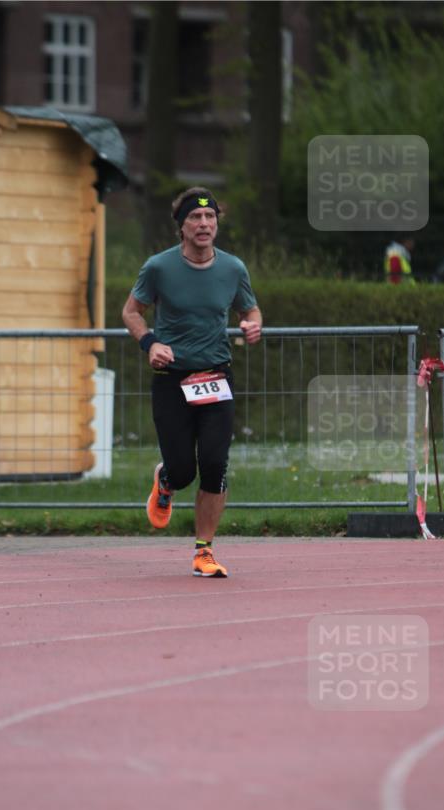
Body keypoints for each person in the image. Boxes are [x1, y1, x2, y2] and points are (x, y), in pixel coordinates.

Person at [122, 187, 262, 578]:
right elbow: (132, 311)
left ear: (217, 223)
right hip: (172, 378)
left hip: (216, 375)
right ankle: (166, 479)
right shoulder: (159, 268)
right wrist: (150, 343)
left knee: (215, 465)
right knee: (184, 471)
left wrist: (253, 326)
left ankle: (204, 551)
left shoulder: (233, 268)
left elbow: (250, 307)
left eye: (210, 218)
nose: (203, 225)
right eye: (195, 219)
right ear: (182, 227)